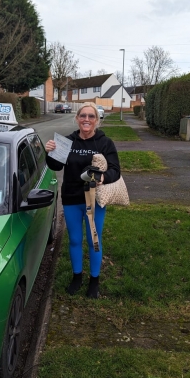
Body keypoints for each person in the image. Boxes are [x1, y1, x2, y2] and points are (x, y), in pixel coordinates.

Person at [45, 102, 120, 298]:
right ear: (77, 118)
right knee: (75, 239)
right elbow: (55, 165)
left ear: (97, 120)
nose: (87, 119)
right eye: (83, 115)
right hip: (72, 198)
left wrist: (103, 177)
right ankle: (77, 276)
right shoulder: (67, 141)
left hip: (95, 200)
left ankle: (94, 281)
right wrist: (50, 151)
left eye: (91, 116)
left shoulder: (105, 143)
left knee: (94, 240)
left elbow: (115, 170)